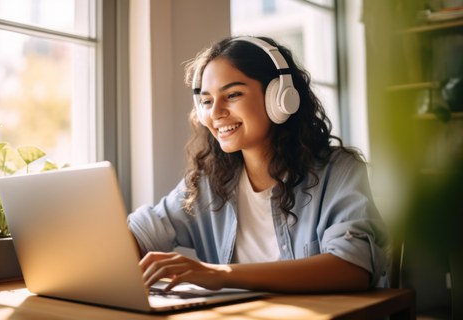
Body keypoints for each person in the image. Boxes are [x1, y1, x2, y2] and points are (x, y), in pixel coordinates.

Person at [128, 36, 389, 294]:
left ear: (280, 98)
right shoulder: (209, 182)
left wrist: (220, 274)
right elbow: (140, 233)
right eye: (207, 101)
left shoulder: (339, 170)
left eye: (232, 95)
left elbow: (352, 268)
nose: (216, 112)